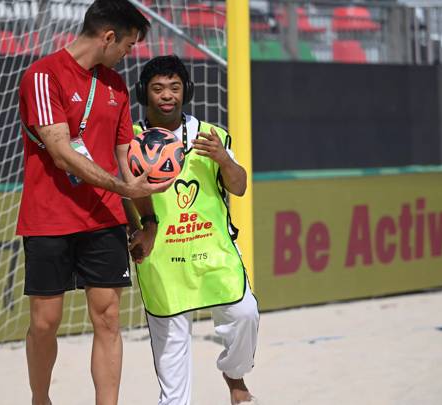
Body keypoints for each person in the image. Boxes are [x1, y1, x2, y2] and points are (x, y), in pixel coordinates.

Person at [16, 1, 168, 404]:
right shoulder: (42, 75)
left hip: (103, 219)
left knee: (109, 319)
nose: (129, 54)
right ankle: (40, 399)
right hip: (48, 217)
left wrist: (147, 223)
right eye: (129, 45)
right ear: (108, 37)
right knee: (45, 323)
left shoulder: (115, 86)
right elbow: (61, 152)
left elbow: (127, 163)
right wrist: (125, 190)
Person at [128, 55, 260, 405]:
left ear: (187, 90)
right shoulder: (130, 140)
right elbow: (123, 196)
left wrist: (224, 159)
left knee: (245, 315)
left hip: (213, 252)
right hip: (162, 260)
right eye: (157, 88)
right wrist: (138, 231)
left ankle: (234, 375)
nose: (167, 95)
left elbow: (241, 186)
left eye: (174, 87)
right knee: (172, 366)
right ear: (144, 93)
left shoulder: (211, 135)